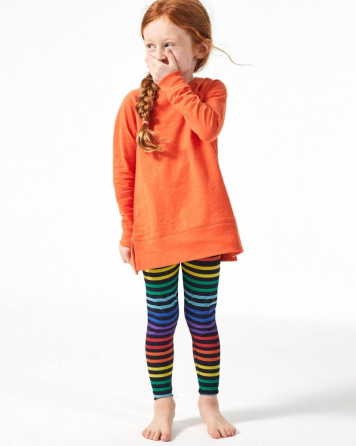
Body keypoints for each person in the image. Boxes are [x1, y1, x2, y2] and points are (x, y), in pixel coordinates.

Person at [112, 0, 244, 441]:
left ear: (199, 48)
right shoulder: (133, 104)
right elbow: (124, 172)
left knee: (202, 317)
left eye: (170, 44)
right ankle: (163, 402)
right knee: (161, 318)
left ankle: (209, 402)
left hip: (203, 228)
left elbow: (207, 128)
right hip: (156, 232)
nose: (159, 53)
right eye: (151, 45)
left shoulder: (211, 91)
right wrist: (129, 231)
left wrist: (172, 83)